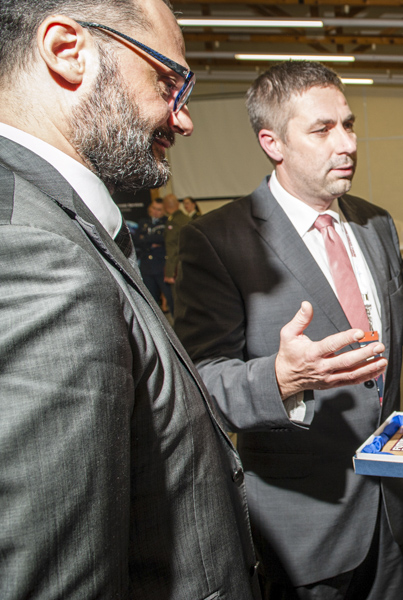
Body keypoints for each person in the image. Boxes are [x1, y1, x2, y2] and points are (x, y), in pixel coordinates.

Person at [174, 60, 403, 600]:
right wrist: (281, 380)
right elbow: (201, 381)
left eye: (349, 124)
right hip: (303, 521)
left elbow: (401, 313)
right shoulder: (217, 241)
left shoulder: (374, 221)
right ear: (272, 143)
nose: (348, 143)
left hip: (388, 503)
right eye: (323, 130)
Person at [0, 0, 260, 597]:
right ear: (68, 51)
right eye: (169, 82)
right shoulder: (39, 254)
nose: (184, 119)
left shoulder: (55, 220)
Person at [135, 196, 169, 309]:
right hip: (146, 266)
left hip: (161, 265)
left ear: (164, 210)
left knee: (170, 297)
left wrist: (145, 239)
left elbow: (163, 239)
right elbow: (136, 240)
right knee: (150, 300)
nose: (155, 211)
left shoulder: (167, 222)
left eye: (159, 209)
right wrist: (150, 242)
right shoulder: (144, 222)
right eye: (154, 208)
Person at [162, 191, 189, 305]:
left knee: (179, 301)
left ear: (165, 207)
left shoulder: (173, 222)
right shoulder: (187, 219)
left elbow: (172, 248)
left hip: (177, 268)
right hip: (189, 266)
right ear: (178, 204)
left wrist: (169, 272)